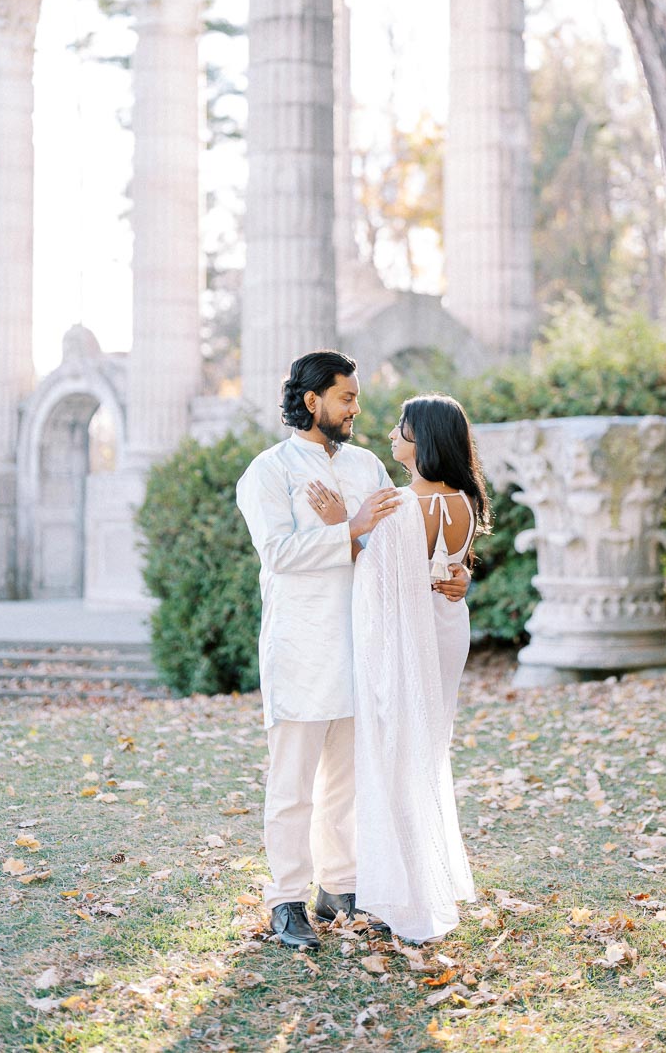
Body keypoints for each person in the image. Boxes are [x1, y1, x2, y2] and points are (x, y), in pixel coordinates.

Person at [236, 352, 470, 951]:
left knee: (349, 779)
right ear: (312, 401)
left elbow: (402, 543)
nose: (356, 410)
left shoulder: (368, 465)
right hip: (302, 648)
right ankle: (286, 900)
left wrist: (454, 573)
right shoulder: (268, 471)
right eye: (346, 398)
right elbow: (279, 555)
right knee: (293, 785)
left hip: (369, 649)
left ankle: (338, 886)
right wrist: (351, 528)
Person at [309, 392, 490, 942]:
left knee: (392, 757)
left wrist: (344, 525)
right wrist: (461, 580)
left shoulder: (398, 505)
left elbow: (378, 581)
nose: (391, 432)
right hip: (445, 632)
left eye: (402, 427)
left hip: (403, 640)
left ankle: (402, 894)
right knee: (426, 752)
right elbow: (451, 570)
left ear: (422, 440)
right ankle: (418, 878)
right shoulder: (463, 501)